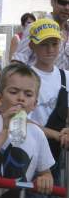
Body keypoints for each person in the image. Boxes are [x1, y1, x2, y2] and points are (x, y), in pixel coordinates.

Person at [0, 63, 55, 198]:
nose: (21, 98)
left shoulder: (37, 134)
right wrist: (4, 131)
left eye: (28, 94)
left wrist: (46, 178)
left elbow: (45, 171)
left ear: (34, 104)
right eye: (14, 92)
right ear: (0, 98)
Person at [27, 19, 69, 187]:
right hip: (30, 154)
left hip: (56, 155)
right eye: (44, 44)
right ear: (32, 46)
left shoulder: (66, 76)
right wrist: (55, 134)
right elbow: (19, 119)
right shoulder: (24, 76)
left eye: (54, 44)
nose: (50, 50)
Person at [12, 0, 69, 70]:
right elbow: (19, 62)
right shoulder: (35, 28)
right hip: (37, 82)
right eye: (62, 2)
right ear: (52, 2)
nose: (67, 7)